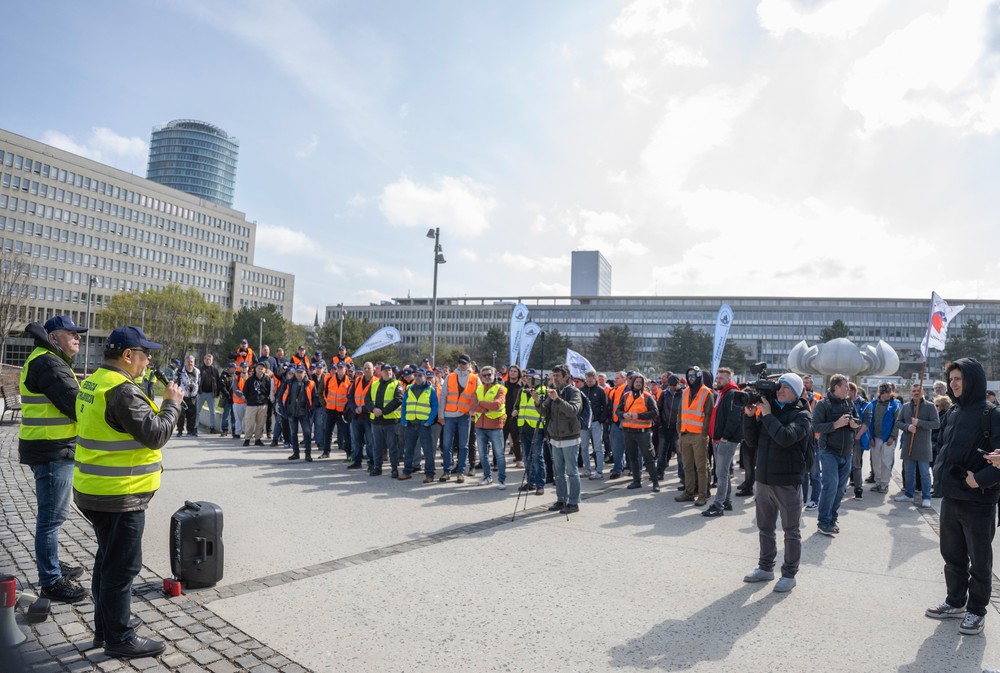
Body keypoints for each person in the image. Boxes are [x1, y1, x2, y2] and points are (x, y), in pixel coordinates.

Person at [74, 325, 183, 658]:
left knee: (107, 562)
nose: (148, 360)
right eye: (145, 353)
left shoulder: (94, 382)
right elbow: (156, 434)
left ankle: (106, 627)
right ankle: (119, 638)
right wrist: (171, 404)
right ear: (127, 355)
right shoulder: (122, 391)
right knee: (122, 569)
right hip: (120, 495)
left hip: (96, 489)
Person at [18, 315, 89, 603]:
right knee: (51, 518)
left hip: (53, 448)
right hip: (51, 450)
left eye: (78, 333)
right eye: (71, 332)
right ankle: (50, 580)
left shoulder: (51, 359)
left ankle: (53, 564)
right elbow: (75, 404)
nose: (78, 337)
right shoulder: (48, 362)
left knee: (54, 515)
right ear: (53, 337)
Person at [930, 358, 1000, 636]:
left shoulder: (992, 414)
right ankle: (955, 602)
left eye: (958, 379)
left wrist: (978, 480)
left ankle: (976, 611)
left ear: (972, 380)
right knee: (952, 555)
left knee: (979, 561)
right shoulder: (953, 412)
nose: (953, 384)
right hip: (951, 497)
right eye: (951, 379)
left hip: (979, 501)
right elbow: (943, 446)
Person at [742, 372, 811, 593]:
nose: (780, 390)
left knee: (791, 530)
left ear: (796, 392)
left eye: (786, 387)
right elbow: (751, 442)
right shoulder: (769, 410)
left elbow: (785, 438)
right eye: (779, 386)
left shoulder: (802, 415)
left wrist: (768, 415)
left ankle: (789, 574)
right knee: (765, 528)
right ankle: (765, 568)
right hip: (763, 479)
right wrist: (750, 417)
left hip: (787, 482)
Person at [811, 374, 861, 535]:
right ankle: (823, 521)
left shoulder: (849, 402)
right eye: (845, 386)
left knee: (840, 489)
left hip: (847, 452)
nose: (848, 389)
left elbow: (857, 420)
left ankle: (832, 518)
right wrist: (835, 424)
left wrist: (854, 424)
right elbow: (815, 426)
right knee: (830, 486)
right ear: (836, 387)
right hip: (829, 451)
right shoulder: (822, 404)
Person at [541, 364, 583, 514]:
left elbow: (573, 411)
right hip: (555, 437)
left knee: (572, 472)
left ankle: (573, 502)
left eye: (558, 376)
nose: (555, 379)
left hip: (570, 437)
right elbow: (544, 412)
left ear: (566, 377)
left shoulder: (574, 392)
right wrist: (537, 401)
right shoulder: (554, 391)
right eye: (553, 376)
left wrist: (557, 399)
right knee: (558, 472)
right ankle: (561, 499)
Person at [892, 383, 940, 508]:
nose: (916, 393)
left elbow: (936, 424)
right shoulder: (905, 406)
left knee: (924, 473)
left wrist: (920, 423)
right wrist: (907, 427)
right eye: (913, 390)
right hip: (909, 444)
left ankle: (926, 497)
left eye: (918, 390)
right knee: (909, 472)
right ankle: (909, 494)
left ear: (922, 391)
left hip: (923, 445)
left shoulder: (930, 406)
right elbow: (898, 422)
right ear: (910, 392)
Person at [704, 367, 743, 517]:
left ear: (729, 379)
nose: (718, 380)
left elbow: (734, 418)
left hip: (725, 440)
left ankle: (718, 505)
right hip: (719, 439)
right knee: (723, 472)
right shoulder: (723, 393)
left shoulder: (732, 393)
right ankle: (726, 501)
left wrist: (725, 436)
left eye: (721, 378)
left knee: (721, 473)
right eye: (717, 377)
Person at [676, 366, 715, 506]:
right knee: (687, 466)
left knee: (701, 467)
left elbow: (709, 416)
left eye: (693, 375)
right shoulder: (685, 391)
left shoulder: (706, 392)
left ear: (699, 376)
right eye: (689, 376)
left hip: (699, 436)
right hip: (685, 434)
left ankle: (702, 495)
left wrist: (703, 434)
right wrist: (680, 432)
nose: (690, 378)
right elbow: (680, 413)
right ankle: (689, 492)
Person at [617, 373, 660, 493]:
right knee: (632, 457)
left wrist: (639, 416)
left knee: (648, 458)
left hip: (643, 433)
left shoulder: (647, 396)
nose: (638, 384)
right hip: (628, 431)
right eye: (636, 382)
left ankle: (655, 482)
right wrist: (623, 414)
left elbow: (655, 412)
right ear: (633, 383)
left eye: (640, 382)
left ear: (643, 384)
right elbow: (618, 410)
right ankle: (636, 481)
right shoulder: (626, 395)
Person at [440, 354, 479, 483]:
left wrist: (473, 412)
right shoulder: (450, 376)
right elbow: (443, 396)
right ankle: (446, 471)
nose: (462, 365)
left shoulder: (474, 378)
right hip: (449, 415)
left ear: (469, 364)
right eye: (460, 363)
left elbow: (479, 396)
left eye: (464, 363)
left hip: (464, 416)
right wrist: (441, 415)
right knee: (446, 445)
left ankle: (461, 472)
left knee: (464, 445)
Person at [861, 383, 901, 494]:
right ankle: (878, 482)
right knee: (876, 462)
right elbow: (869, 422)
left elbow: (897, 422)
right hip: (875, 438)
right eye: (886, 392)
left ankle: (884, 483)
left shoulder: (895, 405)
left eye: (890, 392)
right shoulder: (873, 404)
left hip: (888, 438)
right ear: (881, 393)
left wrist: (892, 436)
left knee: (886, 462)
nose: (888, 394)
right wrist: (870, 438)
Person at [400, 369, 438, 482]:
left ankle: (429, 475)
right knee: (408, 450)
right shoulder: (409, 389)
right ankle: (407, 472)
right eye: (415, 375)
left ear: (425, 376)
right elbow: (404, 405)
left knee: (428, 451)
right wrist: (404, 421)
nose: (417, 377)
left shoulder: (430, 390)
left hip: (424, 425)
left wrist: (429, 421)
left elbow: (435, 406)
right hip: (410, 424)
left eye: (420, 375)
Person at [366, 362, 404, 476]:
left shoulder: (397, 384)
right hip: (376, 421)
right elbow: (367, 399)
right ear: (381, 372)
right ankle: (377, 467)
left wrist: (383, 411)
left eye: (389, 370)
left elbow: (398, 399)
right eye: (385, 370)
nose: (388, 372)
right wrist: (373, 409)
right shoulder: (374, 384)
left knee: (393, 447)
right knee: (377, 447)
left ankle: (394, 469)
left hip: (391, 422)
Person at [473, 366, 507, 489]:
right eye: (484, 375)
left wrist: (481, 403)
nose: (487, 377)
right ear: (481, 377)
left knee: (499, 455)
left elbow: (497, 405)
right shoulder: (478, 389)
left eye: (489, 374)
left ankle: (501, 480)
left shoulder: (500, 388)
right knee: (483, 455)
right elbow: (472, 405)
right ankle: (487, 477)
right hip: (480, 426)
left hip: (495, 426)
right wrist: (486, 408)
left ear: (494, 375)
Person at [516, 369, 547, 496]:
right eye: (527, 378)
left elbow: (545, 409)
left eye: (531, 378)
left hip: (537, 428)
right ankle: (531, 482)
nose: (528, 380)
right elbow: (517, 405)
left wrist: (537, 398)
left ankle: (540, 484)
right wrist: (515, 411)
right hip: (524, 427)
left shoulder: (543, 390)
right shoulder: (522, 391)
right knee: (527, 457)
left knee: (537, 457)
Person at [321, 361, 352, 459]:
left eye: (341, 368)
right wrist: (327, 404)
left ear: (345, 369)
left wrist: (346, 410)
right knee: (328, 432)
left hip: (342, 412)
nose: (339, 370)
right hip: (330, 410)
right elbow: (325, 393)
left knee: (346, 433)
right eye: (338, 368)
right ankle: (326, 452)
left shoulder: (349, 382)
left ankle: (349, 454)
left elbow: (350, 397)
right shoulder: (330, 380)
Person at [284, 365, 315, 461]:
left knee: (307, 433)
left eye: (301, 372)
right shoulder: (289, 382)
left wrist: (312, 410)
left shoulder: (310, 383)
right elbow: (281, 396)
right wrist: (284, 409)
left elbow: (315, 398)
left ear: (305, 373)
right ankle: (295, 453)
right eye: (297, 372)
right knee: (293, 433)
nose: (299, 374)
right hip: (292, 412)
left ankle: (308, 454)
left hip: (304, 412)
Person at [580, 370, 608, 480]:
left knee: (598, 447)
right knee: (584, 447)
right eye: (587, 381)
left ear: (595, 379)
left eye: (590, 381)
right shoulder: (582, 390)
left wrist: (601, 419)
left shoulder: (600, 391)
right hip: (584, 422)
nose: (588, 383)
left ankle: (599, 471)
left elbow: (605, 406)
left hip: (596, 422)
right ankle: (587, 470)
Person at [348, 362, 375, 470]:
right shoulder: (357, 380)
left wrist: (363, 409)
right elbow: (350, 397)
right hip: (356, 416)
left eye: (369, 368)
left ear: (373, 369)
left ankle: (371, 462)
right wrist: (354, 408)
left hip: (369, 416)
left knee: (370, 441)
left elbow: (376, 400)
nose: (367, 370)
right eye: (365, 368)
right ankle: (357, 461)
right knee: (356, 441)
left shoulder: (376, 382)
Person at [657, 374, 683, 484]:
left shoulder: (683, 394)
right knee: (661, 452)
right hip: (664, 427)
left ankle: (682, 475)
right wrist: (660, 423)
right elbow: (659, 408)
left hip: (677, 428)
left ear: (678, 384)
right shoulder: (664, 394)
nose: (672, 387)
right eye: (670, 385)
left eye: (674, 385)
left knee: (680, 453)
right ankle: (659, 473)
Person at [242, 361, 272, 447]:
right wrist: (249, 399)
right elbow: (245, 391)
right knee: (250, 423)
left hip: (263, 405)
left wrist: (264, 399)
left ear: (264, 370)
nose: (260, 370)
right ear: (255, 369)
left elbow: (269, 391)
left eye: (262, 368)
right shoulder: (250, 380)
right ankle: (247, 439)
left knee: (260, 423)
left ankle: (258, 439)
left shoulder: (267, 379)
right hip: (251, 405)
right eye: (258, 368)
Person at [175, 356, 200, 436]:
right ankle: (180, 430)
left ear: (194, 362)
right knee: (181, 414)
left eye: (191, 362)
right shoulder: (179, 372)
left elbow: (199, 382)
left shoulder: (197, 372)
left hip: (193, 397)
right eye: (188, 361)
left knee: (192, 414)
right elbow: (175, 382)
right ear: (185, 362)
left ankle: (190, 430)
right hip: (182, 396)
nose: (190, 363)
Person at [196, 354, 220, 433]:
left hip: (211, 394)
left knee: (212, 412)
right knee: (197, 411)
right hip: (201, 393)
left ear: (212, 361)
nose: (208, 361)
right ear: (204, 360)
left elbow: (218, 382)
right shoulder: (199, 369)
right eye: (206, 359)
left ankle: (212, 427)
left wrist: (217, 392)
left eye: (209, 359)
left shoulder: (215, 370)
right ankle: (195, 427)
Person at [218, 363, 236, 437]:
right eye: (233, 368)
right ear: (229, 368)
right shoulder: (224, 376)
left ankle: (234, 430)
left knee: (234, 416)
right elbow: (222, 387)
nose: (235, 369)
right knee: (225, 415)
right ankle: (224, 430)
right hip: (227, 399)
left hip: (235, 400)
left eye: (235, 368)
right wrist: (228, 395)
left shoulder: (236, 376)